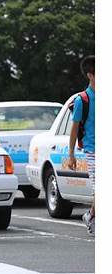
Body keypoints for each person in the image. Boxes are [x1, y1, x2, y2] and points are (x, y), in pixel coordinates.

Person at [68, 55, 95, 235]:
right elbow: (75, 128)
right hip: (93, 150)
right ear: (90, 75)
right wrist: (71, 154)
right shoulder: (82, 100)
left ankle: (91, 215)